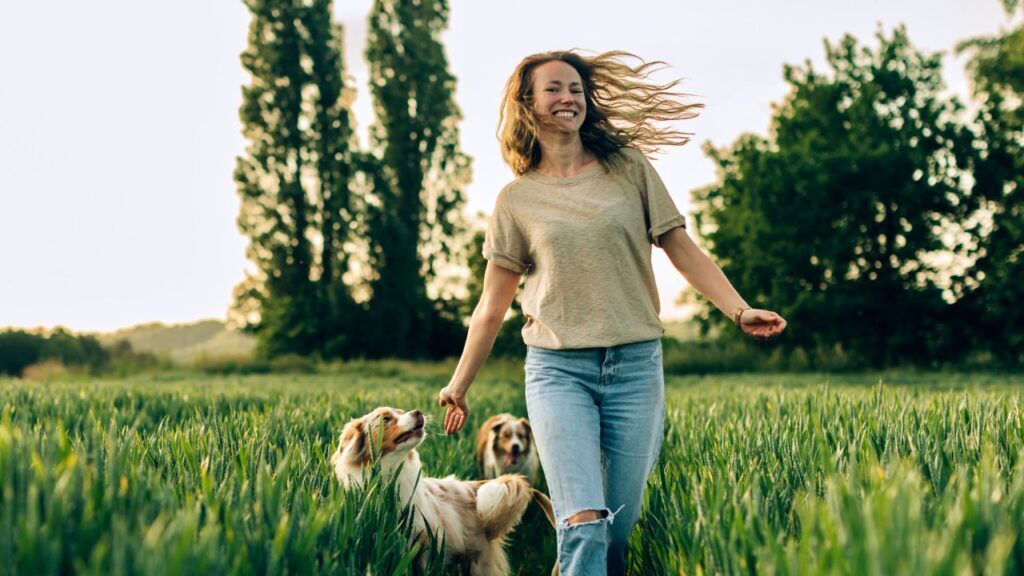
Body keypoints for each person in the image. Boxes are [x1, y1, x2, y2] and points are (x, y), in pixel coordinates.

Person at [438, 50, 787, 576]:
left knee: (615, 530)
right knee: (582, 523)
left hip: (635, 367)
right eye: (553, 88)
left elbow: (680, 247)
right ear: (527, 103)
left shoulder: (630, 169)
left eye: (576, 88)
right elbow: (493, 304)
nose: (568, 97)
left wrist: (738, 311)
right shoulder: (517, 200)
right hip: (558, 371)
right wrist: (460, 384)